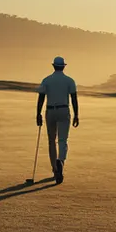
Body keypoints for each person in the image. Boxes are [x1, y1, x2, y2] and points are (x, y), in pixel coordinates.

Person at [36, 56, 78, 184]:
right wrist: (76, 114)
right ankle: (61, 161)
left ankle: (55, 168)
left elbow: (41, 98)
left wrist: (38, 114)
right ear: (64, 66)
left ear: (53, 66)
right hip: (64, 110)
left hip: (50, 111)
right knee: (62, 140)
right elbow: (74, 99)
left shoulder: (46, 80)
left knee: (51, 140)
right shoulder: (69, 80)